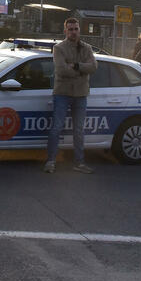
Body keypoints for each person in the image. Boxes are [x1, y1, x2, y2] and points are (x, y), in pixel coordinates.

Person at [45, 17, 98, 174]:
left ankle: (79, 162)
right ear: (65, 31)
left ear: (79, 30)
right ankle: (51, 161)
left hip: (81, 94)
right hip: (62, 93)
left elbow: (94, 67)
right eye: (70, 29)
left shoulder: (86, 48)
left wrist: (75, 66)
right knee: (57, 127)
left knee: (79, 130)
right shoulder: (59, 48)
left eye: (76, 29)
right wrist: (82, 72)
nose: (73, 32)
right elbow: (61, 70)